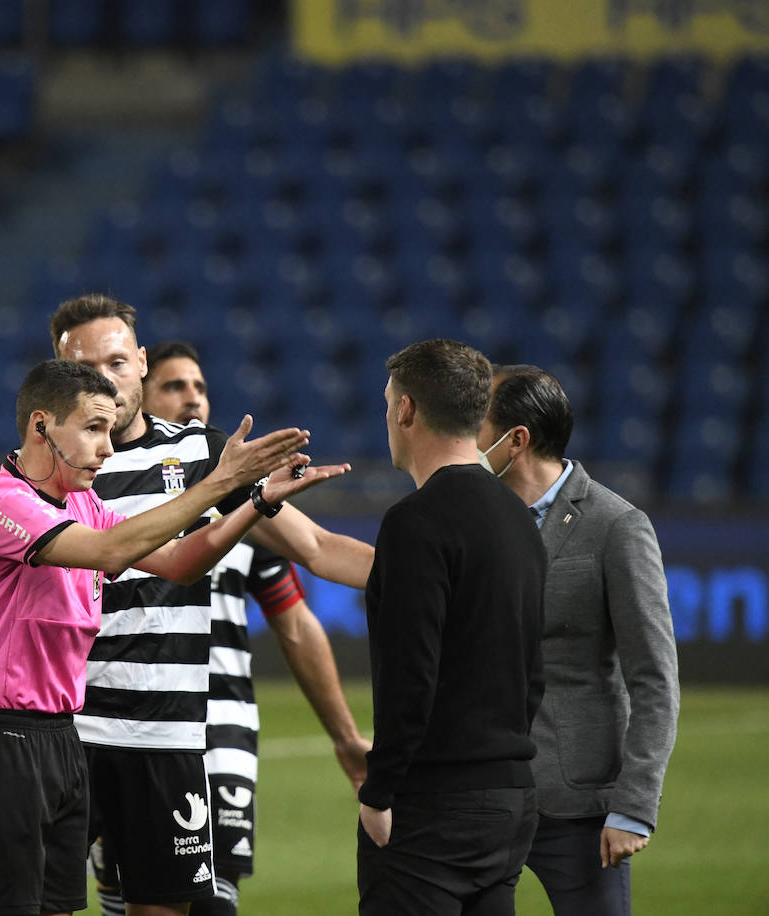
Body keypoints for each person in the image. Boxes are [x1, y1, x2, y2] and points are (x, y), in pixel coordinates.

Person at [0, 358, 346, 916]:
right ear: (40, 427)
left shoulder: (84, 505)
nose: (106, 448)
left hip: (60, 737)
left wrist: (256, 503)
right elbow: (110, 552)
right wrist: (220, 480)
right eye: (93, 428)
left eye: (109, 430)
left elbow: (178, 562)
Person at [48, 294, 375, 916]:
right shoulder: (53, 470)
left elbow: (320, 549)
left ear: (141, 361)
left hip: (169, 736)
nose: (106, 385)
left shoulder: (203, 458)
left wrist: (439, 569)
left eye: (117, 363)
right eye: (86, 371)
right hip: (68, 733)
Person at [129, 339, 370, 916]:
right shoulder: (113, 494)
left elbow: (294, 623)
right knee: (132, 900)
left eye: (201, 387)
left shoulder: (245, 510)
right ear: (139, 398)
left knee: (214, 903)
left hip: (221, 728)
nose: (193, 398)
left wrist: (344, 735)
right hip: (132, 729)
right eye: (174, 385)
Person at [477, 365, 679, 916]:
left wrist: (633, 805)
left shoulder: (617, 526)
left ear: (516, 440)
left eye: (478, 421)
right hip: (485, 797)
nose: (466, 437)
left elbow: (654, 679)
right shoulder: (476, 518)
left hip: (579, 806)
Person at [357, 338, 547, 916]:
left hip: (436, 805)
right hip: (511, 800)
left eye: (389, 404)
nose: (388, 417)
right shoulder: (521, 520)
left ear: (408, 410)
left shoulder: (415, 522)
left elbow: (411, 674)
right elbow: (531, 674)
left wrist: (379, 788)